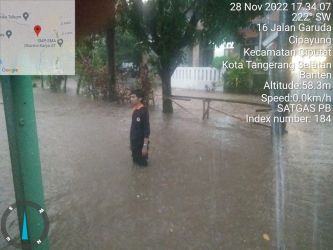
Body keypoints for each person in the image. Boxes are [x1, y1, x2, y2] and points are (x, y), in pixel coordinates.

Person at [130, 89, 150, 166]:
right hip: (134, 143)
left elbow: (147, 130)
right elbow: (134, 127)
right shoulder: (134, 109)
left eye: (133, 97)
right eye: (131, 97)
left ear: (140, 99)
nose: (131, 98)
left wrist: (144, 147)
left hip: (141, 144)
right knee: (134, 162)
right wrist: (131, 143)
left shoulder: (144, 111)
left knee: (143, 165)